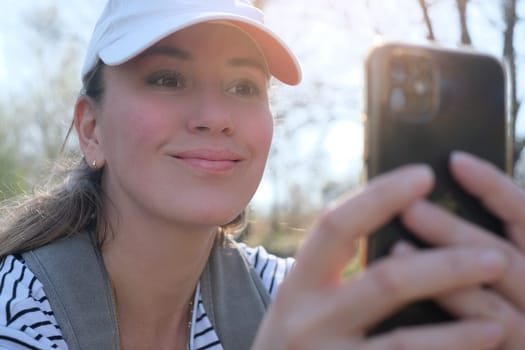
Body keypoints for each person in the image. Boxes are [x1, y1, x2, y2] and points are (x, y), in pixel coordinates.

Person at [1, 0, 525, 349]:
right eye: (167, 78)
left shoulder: (294, 300)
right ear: (91, 128)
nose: (216, 115)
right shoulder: (17, 310)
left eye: (243, 87)